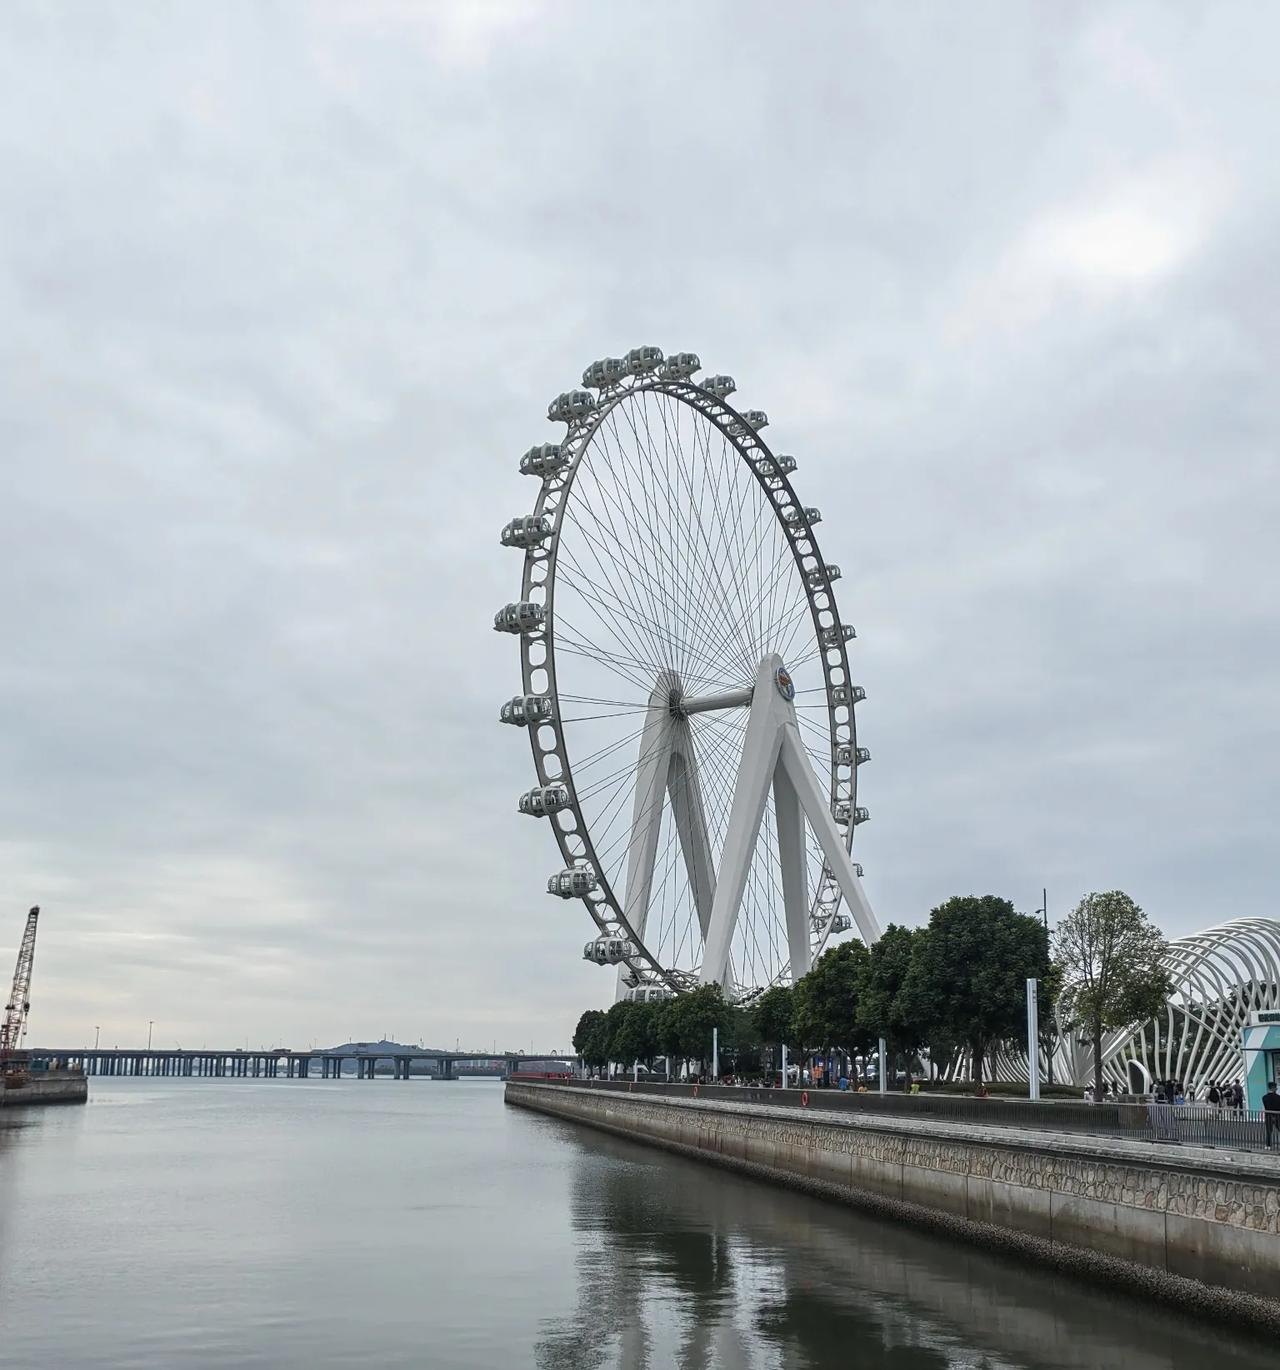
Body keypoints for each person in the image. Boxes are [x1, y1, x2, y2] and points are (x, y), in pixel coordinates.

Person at [1263, 1081, 1280, 1149]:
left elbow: (1265, 1107)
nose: (1276, 1089)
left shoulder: (1264, 1097)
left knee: (1268, 1131)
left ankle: (1268, 1145)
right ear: (1273, 1088)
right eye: (1276, 1087)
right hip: (1277, 1116)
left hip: (1268, 1116)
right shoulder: (1278, 1097)